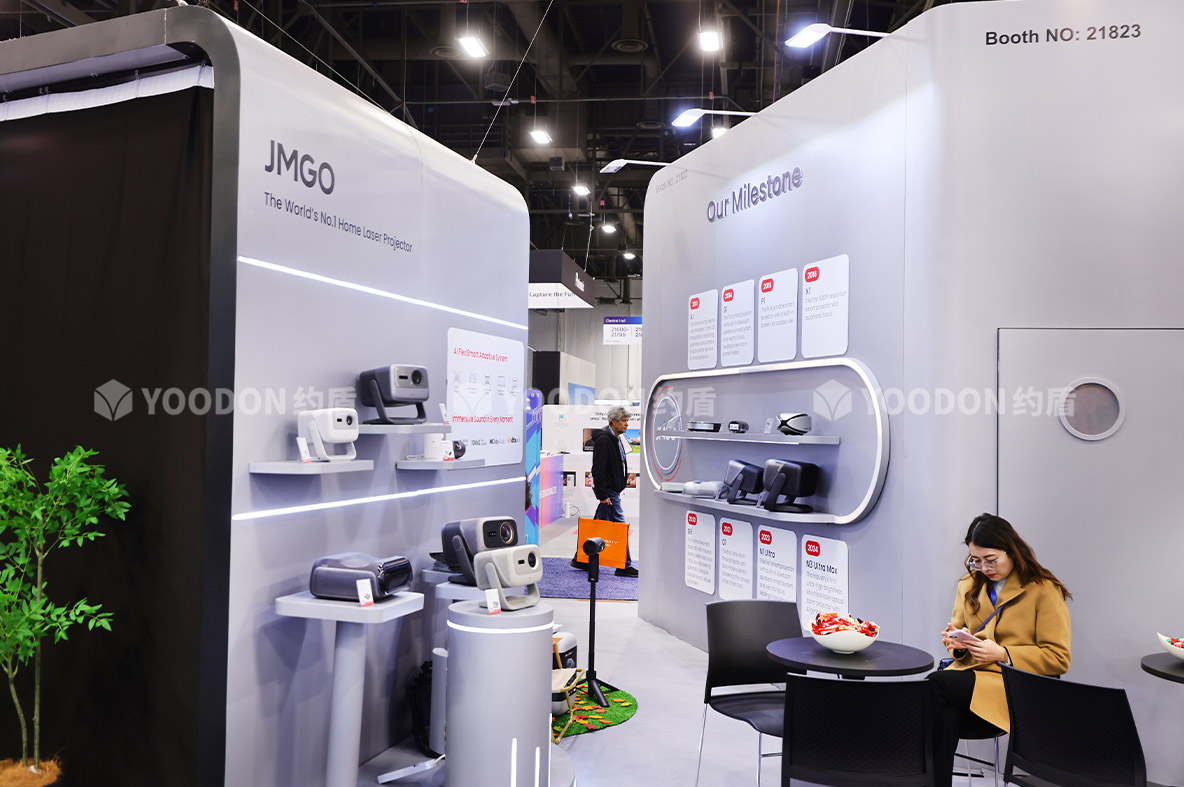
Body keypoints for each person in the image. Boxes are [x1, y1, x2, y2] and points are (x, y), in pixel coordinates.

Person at [928, 513, 1071, 787]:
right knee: (945, 715)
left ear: (1011, 550)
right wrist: (958, 645)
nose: (984, 567)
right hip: (970, 683)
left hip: (1015, 690)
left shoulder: (1044, 590)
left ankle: (888, 763)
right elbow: (957, 633)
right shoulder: (968, 584)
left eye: (991, 559)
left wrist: (1003, 654)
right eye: (976, 560)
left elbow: (1058, 658)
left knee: (934, 685)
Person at [571, 406, 638, 577]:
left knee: (597, 527)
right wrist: (603, 495)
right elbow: (598, 469)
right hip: (609, 492)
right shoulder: (604, 440)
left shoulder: (615, 438)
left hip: (611, 491)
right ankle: (624, 565)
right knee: (621, 527)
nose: (626, 424)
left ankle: (581, 559)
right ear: (613, 421)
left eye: (627, 421)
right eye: (623, 421)